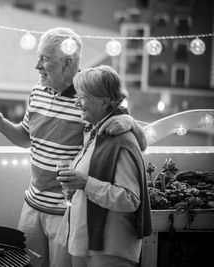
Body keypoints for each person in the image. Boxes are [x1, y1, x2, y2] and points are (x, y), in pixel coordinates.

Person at [0, 27, 147, 267]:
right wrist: (0, 122)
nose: (36, 65)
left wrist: (129, 120)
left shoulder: (90, 96)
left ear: (68, 63)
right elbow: (26, 138)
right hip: (32, 203)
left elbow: (131, 134)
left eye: (44, 58)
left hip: (66, 211)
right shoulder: (37, 91)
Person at [55, 65, 152, 267]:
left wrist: (84, 183)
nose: (77, 103)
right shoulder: (96, 131)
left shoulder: (120, 139)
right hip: (87, 244)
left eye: (82, 97)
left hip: (110, 252)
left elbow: (130, 199)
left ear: (105, 100)